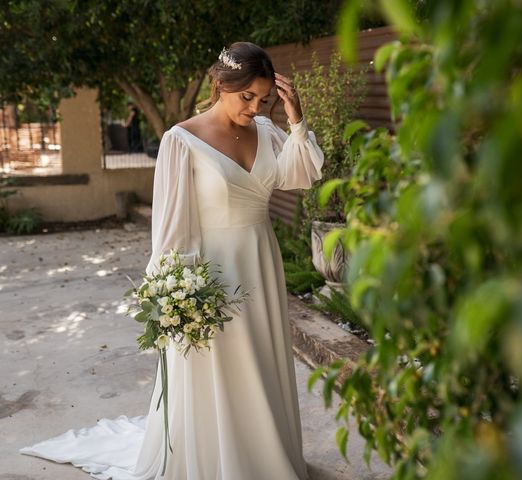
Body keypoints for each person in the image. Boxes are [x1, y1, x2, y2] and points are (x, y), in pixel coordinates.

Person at [19, 41, 324, 479]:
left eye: (264, 99)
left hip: (261, 261)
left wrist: (295, 118)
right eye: (247, 97)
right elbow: (171, 226)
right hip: (213, 274)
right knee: (222, 372)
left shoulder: (268, 130)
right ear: (220, 84)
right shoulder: (181, 140)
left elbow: (302, 175)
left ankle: (267, 458)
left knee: (263, 362)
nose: (256, 107)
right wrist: (176, 298)